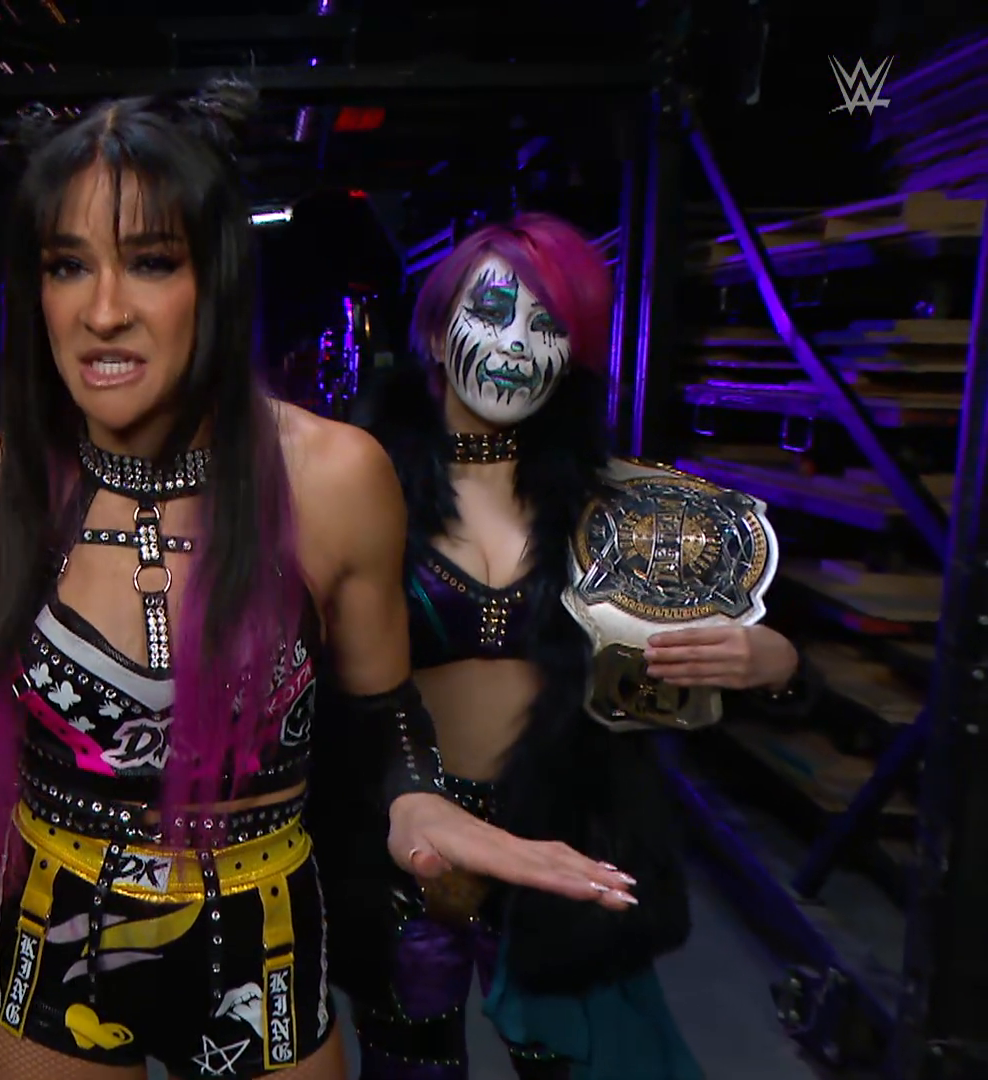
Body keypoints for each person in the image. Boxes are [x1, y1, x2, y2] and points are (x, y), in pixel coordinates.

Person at [0, 82, 638, 1080]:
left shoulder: (334, 480)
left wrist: (414, 802)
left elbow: (383, 720)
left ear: (217, 277)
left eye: (151, 261)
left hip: (260, 941)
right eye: (69, 265)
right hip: (50, 934)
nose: (103, 311)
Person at [312, 213, 815, 1080]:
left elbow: (707, 673)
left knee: (568, 1061)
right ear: (433, 331)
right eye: (491, 310)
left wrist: (774, 664)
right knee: (407, 1062)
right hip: (398, 839)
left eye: (546, 324)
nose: (515, 343)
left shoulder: (624, 510)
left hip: (556, 842)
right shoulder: (357, 483)